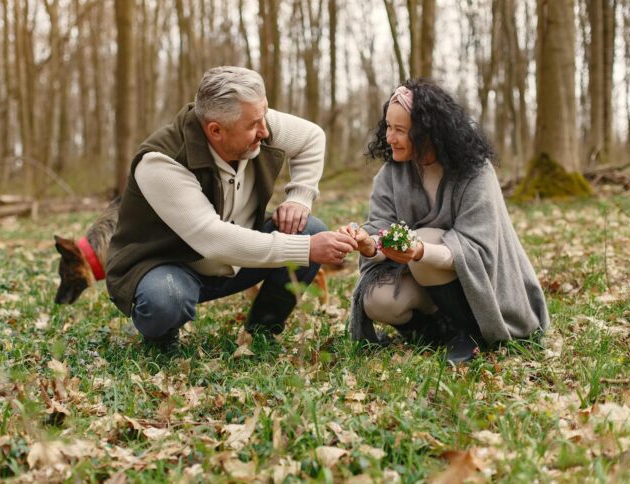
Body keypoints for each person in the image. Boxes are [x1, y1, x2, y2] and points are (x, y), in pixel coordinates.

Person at [106, 66, 357, 349]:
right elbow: (212, 238)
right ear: (216, 130)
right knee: (166, 299)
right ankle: (161, 337)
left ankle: (262, 330)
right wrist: (307, 249)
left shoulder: (252, 119)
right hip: (169, 265)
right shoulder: (161, 161)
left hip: (238, 261)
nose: (265, 131)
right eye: (254, 126)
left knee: (308, 229)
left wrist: (299, 197)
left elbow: (312, 137)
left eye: (264, 117)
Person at [340, 79, 549, 363]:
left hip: (482, 284)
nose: (389, 138)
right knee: (378, 299)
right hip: (424, 277)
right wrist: (367, 245)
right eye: (388, 127)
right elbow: (381, 228)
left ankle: (470, 333)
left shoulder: (474, 171)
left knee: (424, 242)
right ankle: (436, 332)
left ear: (427, 132)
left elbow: (480, 249)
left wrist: (420, 251)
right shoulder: (391, 175)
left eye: (400, 130)